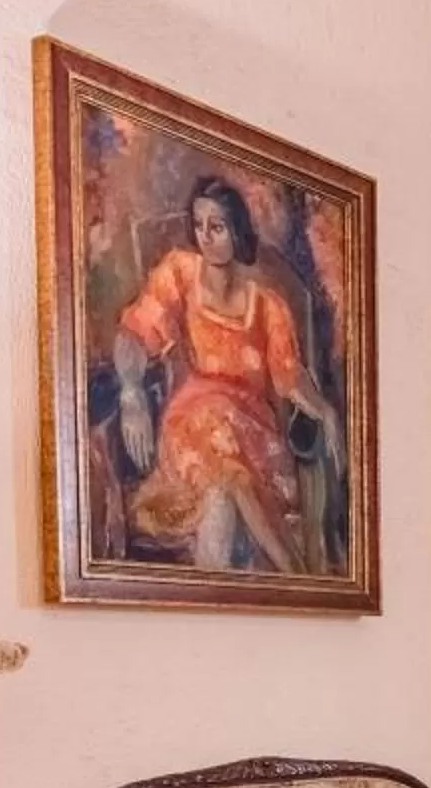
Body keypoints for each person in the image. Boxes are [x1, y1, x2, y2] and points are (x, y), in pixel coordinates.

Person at [112, 177, 344, 573]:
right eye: (199, 225)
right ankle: (295, 572)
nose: (205, 236)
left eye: (216, 227)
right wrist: (131, 392)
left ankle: (262, 586)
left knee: (224, 491)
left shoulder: (268, 306)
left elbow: (288, 377)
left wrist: (326, 411)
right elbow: (134, 334)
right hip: (192, 425)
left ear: (236, 231)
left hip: (253, 434)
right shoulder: (180, 273)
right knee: (217, 427)